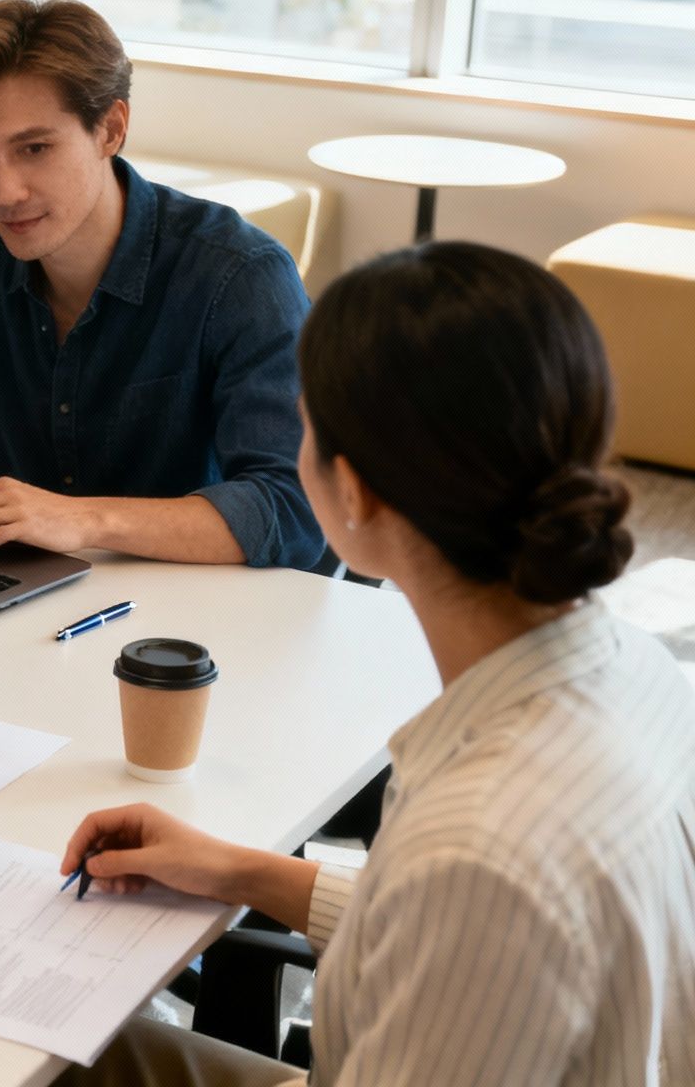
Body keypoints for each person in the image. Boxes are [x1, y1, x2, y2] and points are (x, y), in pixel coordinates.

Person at [55, 242, 694, 1085]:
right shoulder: (641, 670)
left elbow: (476, 903)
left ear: (352, 491)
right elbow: (463, 935)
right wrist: (237, 869)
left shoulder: (479, 851)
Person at [0, 0, 320, 570]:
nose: (5, 193)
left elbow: (293, 510)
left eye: (35, 149)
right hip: (31, 592)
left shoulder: (239, 275)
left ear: (111, 129)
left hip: (207, 607)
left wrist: (82, 519)